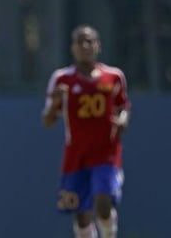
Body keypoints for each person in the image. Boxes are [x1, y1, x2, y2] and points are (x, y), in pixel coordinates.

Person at [41, 25, 130, 238]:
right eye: (80, 41)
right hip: (76, 155)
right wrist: (55, 103)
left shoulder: (114, 76)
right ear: (72, 47)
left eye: (90, 41)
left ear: (98, 45)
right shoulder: (62, 79)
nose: (85, 46)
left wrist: (123, 120)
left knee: (103, 203)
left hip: (106, 153)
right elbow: (47, 121)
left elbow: (123, 106)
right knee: (81, 214)